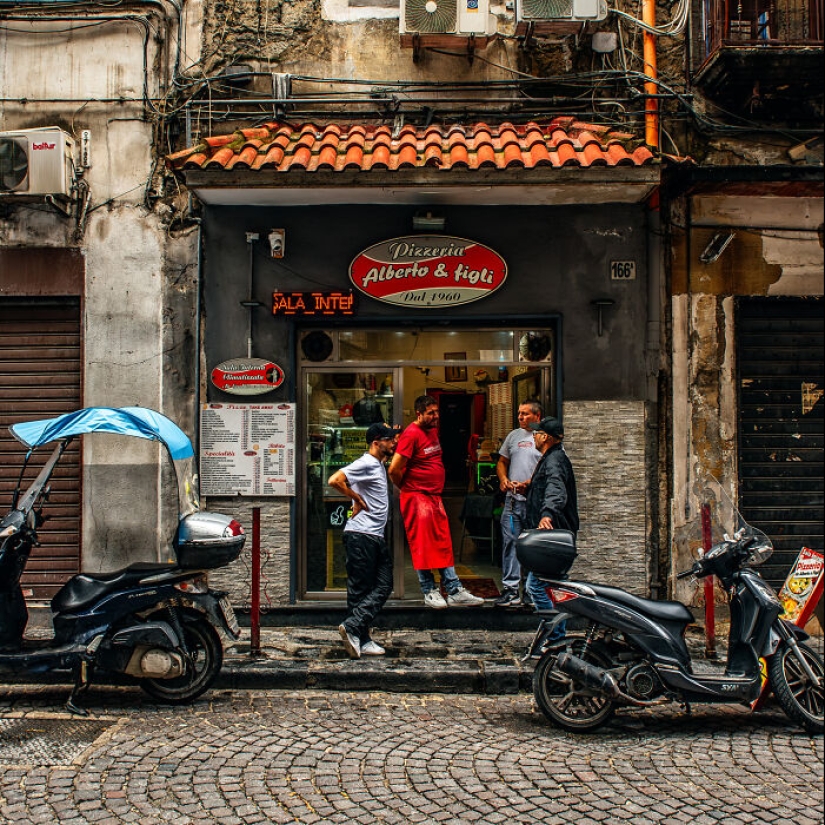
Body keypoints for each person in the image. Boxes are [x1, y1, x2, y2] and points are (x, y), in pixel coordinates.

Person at [388, 395, 484, 609]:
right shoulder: (411, 435)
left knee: (441, 543)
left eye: (436, 412)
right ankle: (429, 590)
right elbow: (394, 469)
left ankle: (453, 589)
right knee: (423, 545)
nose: (436, 416)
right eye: (430, 413)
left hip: (433, 496)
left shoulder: (431, 431)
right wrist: (407, 487)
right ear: (418, 414)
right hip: (417, 496)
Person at [327, 422, 397, 659]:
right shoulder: (366, 462)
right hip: (361, 535)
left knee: (381, 584)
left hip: (372, 535)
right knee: (362, 589)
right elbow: (334, 480)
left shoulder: (377, 463)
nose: (394, 443)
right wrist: (355, 498)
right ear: (377, 443)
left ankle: (359, 634)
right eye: (389, 440)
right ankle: (356, 631)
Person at [523, 416, 579, 638]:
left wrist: (547, 515)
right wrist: (528, 487)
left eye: (537, 433)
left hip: (553, 535)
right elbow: (549, 484)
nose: (534, 436)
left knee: (536, 586)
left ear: (545, 437)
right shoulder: (553, 457)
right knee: (550, 586)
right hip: (556, 534)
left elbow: (556, 489)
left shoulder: (554, 461)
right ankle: (554, 636)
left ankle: (556, 638)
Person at [493, 401, 543, 607]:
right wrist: (504, 480)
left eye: (525, 414)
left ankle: (531, 591)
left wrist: (529, 484)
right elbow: (502, 461)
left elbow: (548, 468)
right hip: (513, 502)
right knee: (511, 544)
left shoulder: (544, 438)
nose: (520, 417)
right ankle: (511, 589)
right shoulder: (513, 436)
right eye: (519, 413)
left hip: (534, 503)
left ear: (537, 416)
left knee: (533, 547)